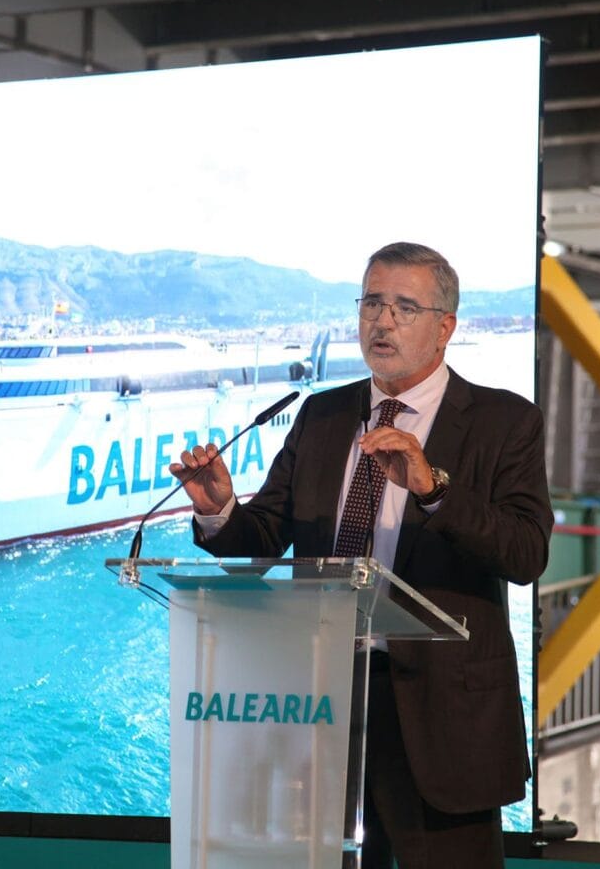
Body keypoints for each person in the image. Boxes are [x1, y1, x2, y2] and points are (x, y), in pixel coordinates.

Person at [168, 242, 553, 869]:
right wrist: (221, 510)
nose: (383, 321)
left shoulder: (504, 422)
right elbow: (265, 536)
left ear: (445, 327)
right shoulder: (322, 415)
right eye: (372, 302)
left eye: (405, 306)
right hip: (319, 708)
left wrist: (433, 489)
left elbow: (526, 552)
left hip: (441, 719)